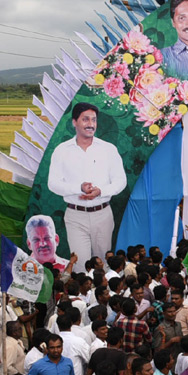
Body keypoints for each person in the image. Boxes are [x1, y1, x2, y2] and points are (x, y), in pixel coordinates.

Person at [46, 102, 127, 276]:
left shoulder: (108, 149)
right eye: (85, 119)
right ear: (74, 122)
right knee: (80, 265)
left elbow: (120, 181)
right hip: (75, 216)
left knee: (103, 265)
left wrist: (101, 192)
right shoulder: (62, 151)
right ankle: (82, 302)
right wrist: (78, 188)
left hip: (103, 214)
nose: (90, 124)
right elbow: (52, 183)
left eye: (93, 120)